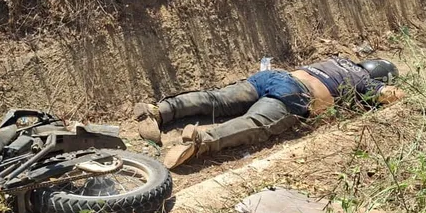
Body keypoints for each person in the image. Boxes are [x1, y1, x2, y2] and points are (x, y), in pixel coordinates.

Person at [134, 57, 406, 168]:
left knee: (216, 99)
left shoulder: (338, 61)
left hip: (273, 78)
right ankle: (201, 142)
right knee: (255, 123)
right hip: (295, 96)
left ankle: (159, 111)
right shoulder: (365, 81)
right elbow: (394, 98)